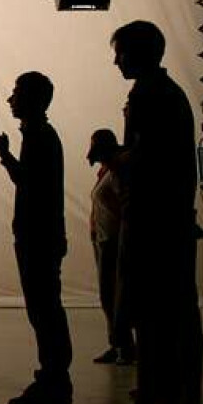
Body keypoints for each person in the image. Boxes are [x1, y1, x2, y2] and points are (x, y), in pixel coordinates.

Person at [87, 21, 203, 404]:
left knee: (151, 320)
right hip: (169, 223)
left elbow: (145, 162)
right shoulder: (170, 94)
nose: (115, 61)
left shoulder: (147, 96)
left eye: (120, 52)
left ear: (139, 53)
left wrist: (112, 156)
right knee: (177, 318)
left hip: (152, 226)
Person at [0, 71, 73, 404]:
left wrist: (5, 155)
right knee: (44, 309)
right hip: (41, 236)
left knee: (44, 310)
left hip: (38, 237)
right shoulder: (40, 135)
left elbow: (29, 182)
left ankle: (54, 381)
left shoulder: (40, 137)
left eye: (16, 93)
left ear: (32, 99)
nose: (10, 99)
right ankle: (53, 379)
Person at [87, 128, 135, 365]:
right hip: (103, 240)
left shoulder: (117, 170)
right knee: (108, 296)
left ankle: (124, 346)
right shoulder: (104, 171)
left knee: (116, 296)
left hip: (115, 240)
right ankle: (116, 343)